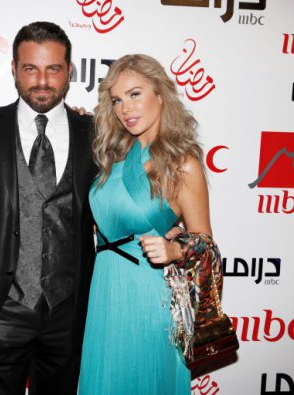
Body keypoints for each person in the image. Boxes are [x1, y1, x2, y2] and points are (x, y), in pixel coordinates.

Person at [0, 22, 98, 395]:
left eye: (53, 69)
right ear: (13, 69)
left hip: (69, 314)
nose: (42, 81)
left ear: (69, 71)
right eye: (30, 68)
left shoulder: (94, 133)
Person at [78, 54, 213, 394]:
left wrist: (174, 249)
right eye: (117, 100)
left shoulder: (183, 164)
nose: (125, 108)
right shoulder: (114, 156)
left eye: (135, 94)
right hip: (104, 290)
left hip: (149, 294)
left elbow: (206, 245)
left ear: (160, 94)